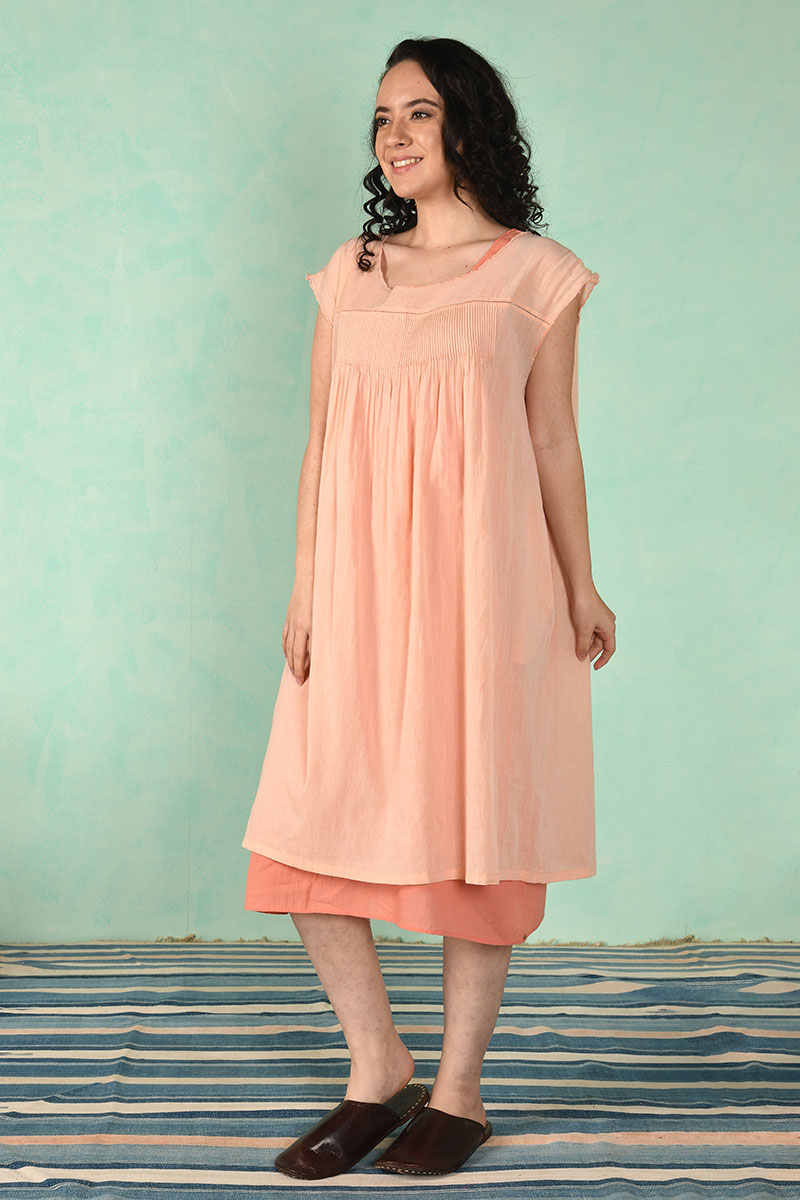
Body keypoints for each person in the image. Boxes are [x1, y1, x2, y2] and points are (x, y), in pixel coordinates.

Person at [241, 35, 616, 1179]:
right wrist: (304, 587)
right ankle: (376, 1068)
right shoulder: (349, 270)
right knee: (303, 829)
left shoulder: (535, 276)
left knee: (476, 836)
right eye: (380, 118)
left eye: (416, 113)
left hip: (485, 589)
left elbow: (549, 439)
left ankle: (458, 1093)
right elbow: (319, 444)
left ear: (466, 123)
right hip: (354, 589)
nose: (393, 136)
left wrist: (580, 583)